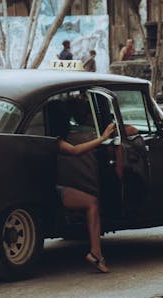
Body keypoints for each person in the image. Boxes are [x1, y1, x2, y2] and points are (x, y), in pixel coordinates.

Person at [49, 99, 115, 273]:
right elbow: (75, 151)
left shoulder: (40, 135)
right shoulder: (54, 140)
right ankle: (96, 253)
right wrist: (102, 138)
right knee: (92, 203)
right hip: (53, 191)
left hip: (49, 186)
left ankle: (96, 252)